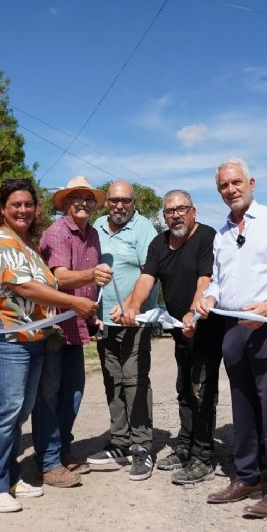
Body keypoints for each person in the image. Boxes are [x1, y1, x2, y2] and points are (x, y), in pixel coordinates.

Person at [0, 178, 98, 513]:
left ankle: (9, 475)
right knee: (4, 410)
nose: (23, 210)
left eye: (28, 204)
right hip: (2, 339)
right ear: (2, 207)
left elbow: (41, 284)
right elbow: (24, 288)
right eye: (16, 204)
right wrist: (74, 305)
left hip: (31, 339)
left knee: (19, 411)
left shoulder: (26, 243)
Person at [199, 158, 267, 519]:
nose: (230, 190)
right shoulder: (223, 233)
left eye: (236, 182)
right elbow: (218, 278)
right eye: (223, 186)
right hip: (234, 329)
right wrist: (210, 296)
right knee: (242, 406)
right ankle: (247, 477)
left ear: (251, 183)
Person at [111, 189, 223, 486]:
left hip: (205, 327)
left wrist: (193, 312)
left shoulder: (206, 237)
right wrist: (133, 307)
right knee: (184, 388)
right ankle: (185, 446)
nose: (175, 215)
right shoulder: (159, 244)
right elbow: (147, 277)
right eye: (170, 211)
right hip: (179, 330)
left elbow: (205, 278)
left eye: (181, 209)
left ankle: (203, 456)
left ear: (193, 212)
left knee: (202, 391)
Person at [33, 176, 112, 488]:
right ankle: (48, 461)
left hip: (78, 325)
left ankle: (62, 450)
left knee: (74, 393)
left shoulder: (92, 234)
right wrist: (92, 274)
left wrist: (96, 315)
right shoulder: (57, 233)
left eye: (88, 198)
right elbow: (60, 279)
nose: (83, 203)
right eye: (76, 198)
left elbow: (91, 286)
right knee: (49, 395)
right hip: (54, 326)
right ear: (65, 203)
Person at [87, 180, 158, 481]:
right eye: (114, 200)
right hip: (104, 321)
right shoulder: (97, 227)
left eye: (125, 201)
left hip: (134, 320)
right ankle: (120, 441)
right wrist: (91, 312)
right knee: (112, 380)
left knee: (134, 380)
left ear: (133, 201)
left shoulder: (144, 230)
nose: (119, 206)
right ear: (106, 203)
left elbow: (149, 273)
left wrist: (132, 306)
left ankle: (141, 446)